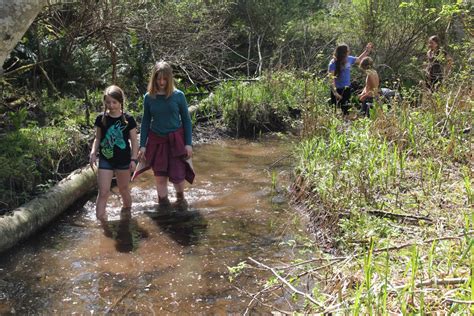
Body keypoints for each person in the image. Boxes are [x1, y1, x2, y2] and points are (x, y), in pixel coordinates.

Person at [137, 61, 194, 210]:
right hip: (157, 141)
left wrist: (188, 144)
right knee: (160, 176)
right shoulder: (149, 97)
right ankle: (163, 205)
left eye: (164, 79)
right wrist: (142, 145)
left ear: (169, 79)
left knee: (178, 176)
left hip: (176, 141)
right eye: (158, 78)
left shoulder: (178, 96)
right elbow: (145, 122)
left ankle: (181, 201)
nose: (161, 82)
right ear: (154, 78)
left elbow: (187, 121)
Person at [89, 85, 138, 222]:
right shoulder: (101, 119)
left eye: (114, 102)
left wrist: (134, 160)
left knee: (123, 189)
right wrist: (93, 152)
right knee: (103, 192)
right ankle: (101, 222)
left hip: (123, 160)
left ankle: (127, 215)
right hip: (105, 159)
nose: (111, 105)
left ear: (120, 102)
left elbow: (134, 141)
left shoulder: (129, 119)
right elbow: (98, 138)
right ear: (105, 102)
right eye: (108, 102)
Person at [328, 42, 373, 115]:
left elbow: (359, 59)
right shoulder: (333, 63)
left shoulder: (349, 59)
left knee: (346, 111)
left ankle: (345, 124)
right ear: (343, 53)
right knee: (335, 112)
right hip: (337, 90)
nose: (349, 52)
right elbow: (331, 79)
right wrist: (335, 92)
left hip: (346, 89)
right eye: (347, 51)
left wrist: (367, 51)